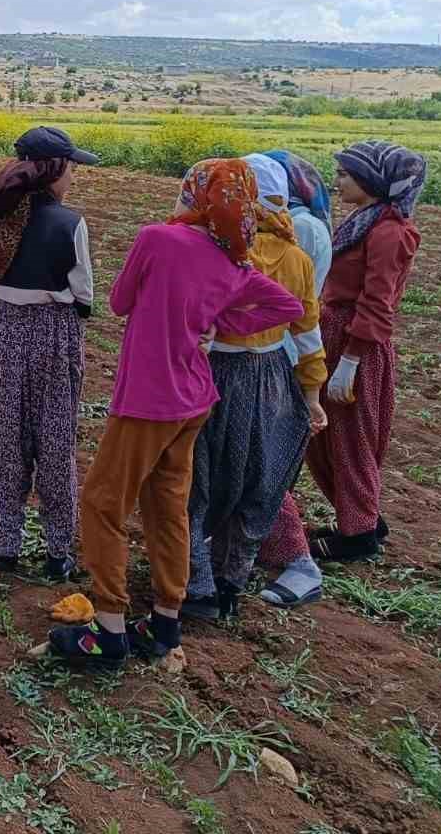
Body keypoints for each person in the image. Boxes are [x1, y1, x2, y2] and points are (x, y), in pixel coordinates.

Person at [46, 160, 303, 669]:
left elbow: (118, 302)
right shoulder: (235, 261)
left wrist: (196, 314)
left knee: (102, 503)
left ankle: (110, 628)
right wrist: (218, 323)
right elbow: (288, 308)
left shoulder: (158, 240)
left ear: (197, 195)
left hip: (148, 399)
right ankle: (164, 621)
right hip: (193, 401)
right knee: (169, 507)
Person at [182, 154, 328, 621]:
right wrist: (312, 394)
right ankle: (232, 582)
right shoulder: (296, 258)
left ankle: (197, 583)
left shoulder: (217, 250)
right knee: (258, 483)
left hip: (214, 375)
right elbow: (307, 331)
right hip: (270, 378)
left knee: (196, 482)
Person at [0, 127, 99, 583]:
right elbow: (83, 295)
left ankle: (5, 543)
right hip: (55, 334)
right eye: (72, 167)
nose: (75, 176)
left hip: (6, 329)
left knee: (5, 436)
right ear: (54, 169)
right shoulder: (71, 223)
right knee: (57, 440)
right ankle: (60, 551)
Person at [301, 141, 424, 565]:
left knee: (350, 438)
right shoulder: (366, 220)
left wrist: (349, 363)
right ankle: (361, 519)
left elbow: (378, 302)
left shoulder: (389, 232)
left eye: (345, 176)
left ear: (372, 182)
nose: (337, 182)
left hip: (355, 342)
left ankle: (357, 536)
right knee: (327, 438)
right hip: (336, 333)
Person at [257, 150, 336, 607]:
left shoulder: (298, 230)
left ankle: (298, 562)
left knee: (266, 464)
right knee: (257, 461)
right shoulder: (298, 224)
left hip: (276, 359)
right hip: (275, 357)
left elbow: (291, 307)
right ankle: (252, 548)